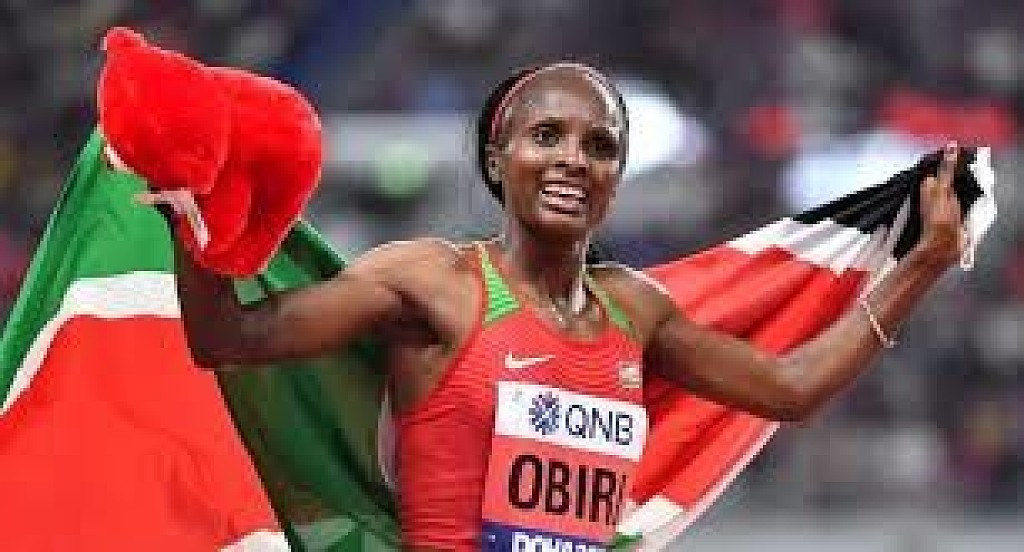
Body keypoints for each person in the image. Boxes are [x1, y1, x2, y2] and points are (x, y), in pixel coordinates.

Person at [164, 63, 965, 550]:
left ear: (617, 177)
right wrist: (189, 206)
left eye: (600, 145)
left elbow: (791, 390)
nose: (573, 160)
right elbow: (228, 336)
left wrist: (924, 263)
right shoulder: (435, 282)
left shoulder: (635, 310)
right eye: (546, 136)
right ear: (498, 160)